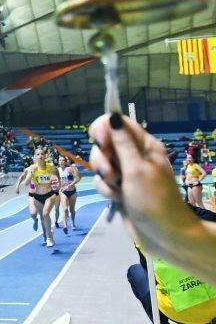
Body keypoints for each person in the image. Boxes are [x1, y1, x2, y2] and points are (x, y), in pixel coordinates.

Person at [89, 113, 216, 286]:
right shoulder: (205, 219)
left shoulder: (143, 233)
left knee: (136, 272)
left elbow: (149, 271)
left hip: (174, 311)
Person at [15, 147, 60, 247]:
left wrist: (57, 186)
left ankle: (49, 238)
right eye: (38, 154)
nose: (40, 156)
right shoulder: (31, 168)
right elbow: (26, 183)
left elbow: (57, 177)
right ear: (35, 157)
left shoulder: (51, 167)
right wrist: (30, 175)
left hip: (49, 195)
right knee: (40, 217)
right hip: (36, 196)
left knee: (45, 214)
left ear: (45, 156)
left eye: (42, 154)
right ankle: (45, 233)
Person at [57, 156, 81, 233]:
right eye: (60, 160)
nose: (61, 162)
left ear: (65, 162)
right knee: (65, 209)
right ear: (58, 162)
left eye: (63, 160)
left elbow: (77, 178)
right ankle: (65, 226)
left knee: (72, 210)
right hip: (63, 192)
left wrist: (70, 185)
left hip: (72, 191)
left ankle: (73, 223)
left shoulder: (70, 169)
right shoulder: (56, 171)